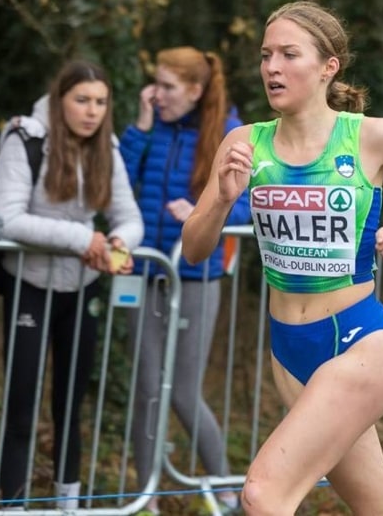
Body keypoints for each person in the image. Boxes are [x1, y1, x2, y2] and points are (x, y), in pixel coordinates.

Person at [182, 0, 383, 515]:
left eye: (289, 54)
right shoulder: (245, 142)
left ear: (328, 67)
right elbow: (193, 248)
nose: (272, 67)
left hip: (359, 342)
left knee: (263, 494)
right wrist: (225, 198)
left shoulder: (370, 136)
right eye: (266, 55)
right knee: (382, 508)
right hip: (289, 352)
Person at [0, 60, 144, 509]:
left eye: (101, 102)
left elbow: (129, 218)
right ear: (60, 101)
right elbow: (7, 218)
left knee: (70, 404)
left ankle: (68, 505)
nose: (92, 111)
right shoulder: (25, 139)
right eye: (82, 100)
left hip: (82, 288)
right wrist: (83, 239)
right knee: (22, 403)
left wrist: (117, 244)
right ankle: (11, 505)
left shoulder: (107, 148)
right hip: (29, 284)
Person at [119, 46, 250, 515]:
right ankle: (146, 499)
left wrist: (202, 212)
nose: (157, 94)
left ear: (195, 90)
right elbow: (114, 184)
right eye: (155, 83)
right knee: (147, 389)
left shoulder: (230, 133)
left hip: (196, 275)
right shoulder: (152, 125)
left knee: (182, 392)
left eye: (167, 87)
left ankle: (230, 493)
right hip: (144, 272)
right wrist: (140, 127)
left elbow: (247, 206)